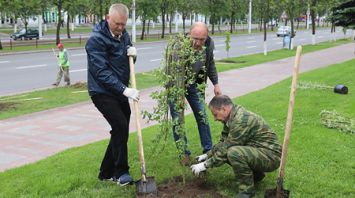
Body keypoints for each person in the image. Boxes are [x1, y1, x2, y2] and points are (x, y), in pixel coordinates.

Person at [85, 3, 138, 186]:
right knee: (121, 125)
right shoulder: (96, 40)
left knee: (120, 129)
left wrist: (133, 54)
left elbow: (127, 60)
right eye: (117, 24)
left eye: (124, 24)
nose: (121, 28)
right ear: (108, 18)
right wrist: (125, 90)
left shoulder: (124, 36)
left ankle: (105, 172)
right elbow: (101, 73)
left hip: (120, 90)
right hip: (101, 91)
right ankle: (121, 172)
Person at [190, 95, 282, 198]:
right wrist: (207, 155)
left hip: (271, 157)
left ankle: (247, 191)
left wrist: (204, 165)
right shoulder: (230, 118)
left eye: (215, 114)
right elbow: (223, 142)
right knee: (229, 150)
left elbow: (227, 148)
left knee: (233, 153)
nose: (215, 119)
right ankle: (256, 175)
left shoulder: (240, 120)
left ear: (224, 109)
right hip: (259, 152)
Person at [168, 22, 222, 166]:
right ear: (189, 34)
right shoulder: (179, 45)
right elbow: (177, 71)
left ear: (207, 37)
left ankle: (208, 151)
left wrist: (215, 83)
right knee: (177, 119)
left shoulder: (209, 45)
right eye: (195, 38)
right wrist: (179, 95)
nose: (197, 43)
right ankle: (184, 153)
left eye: (201, 39)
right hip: (175, 83)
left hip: (192, 83)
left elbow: (210, 64)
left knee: (202, 114)